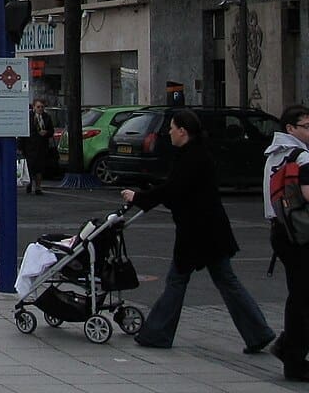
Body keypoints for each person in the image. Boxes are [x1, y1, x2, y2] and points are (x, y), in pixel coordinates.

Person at [120, 109, 274, 352]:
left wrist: (139, 196)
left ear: (183, 131)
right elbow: (176, 191)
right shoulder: (194, 154)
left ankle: (158, 333)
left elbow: (173, 189)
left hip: (198, 231)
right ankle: (258, 332)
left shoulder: (193, 157)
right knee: (224, 280)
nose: (169, 132)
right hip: (208, 229)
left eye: (172, 127)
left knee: (179, 279)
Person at [265, 104, 309, 381]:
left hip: (280, 230)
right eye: (306, 125)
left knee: (299, 294)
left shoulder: (273, 153)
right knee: (302, 298)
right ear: (290, 128)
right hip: (301, 233)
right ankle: (292, 355)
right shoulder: (302, 156)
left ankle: (288, 347)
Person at [24, 99, 54, 195]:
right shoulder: (29, 117)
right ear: (34, 107)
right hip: (30, 145)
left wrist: (46, 133)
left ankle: (38, 187)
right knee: (30, 166)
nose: (40, 109)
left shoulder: (46, 117)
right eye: (38, 107)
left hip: (42, 146)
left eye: (42, 107)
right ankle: (29, 183)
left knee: (39, 167)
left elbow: (51, 130)